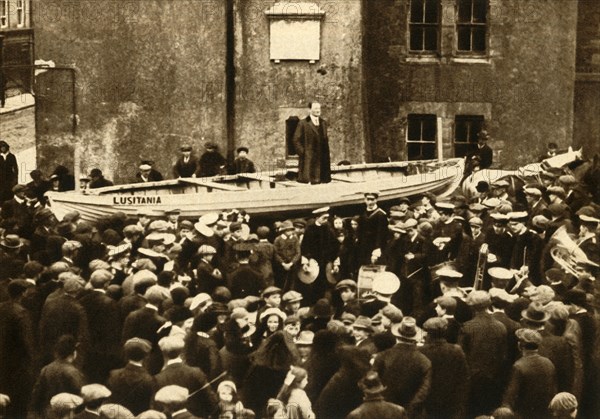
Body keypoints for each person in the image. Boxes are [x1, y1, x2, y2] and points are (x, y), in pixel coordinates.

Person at [292, 102, 331, 184]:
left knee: (323, 184)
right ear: (310, 110)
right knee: (309, 184)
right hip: (309, 162)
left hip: (322, 162)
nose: (318, 111)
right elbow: (296, 140)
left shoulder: (323, 123)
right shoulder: (303, 123)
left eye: (319, 108)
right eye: (316, 108)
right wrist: (303, 153)